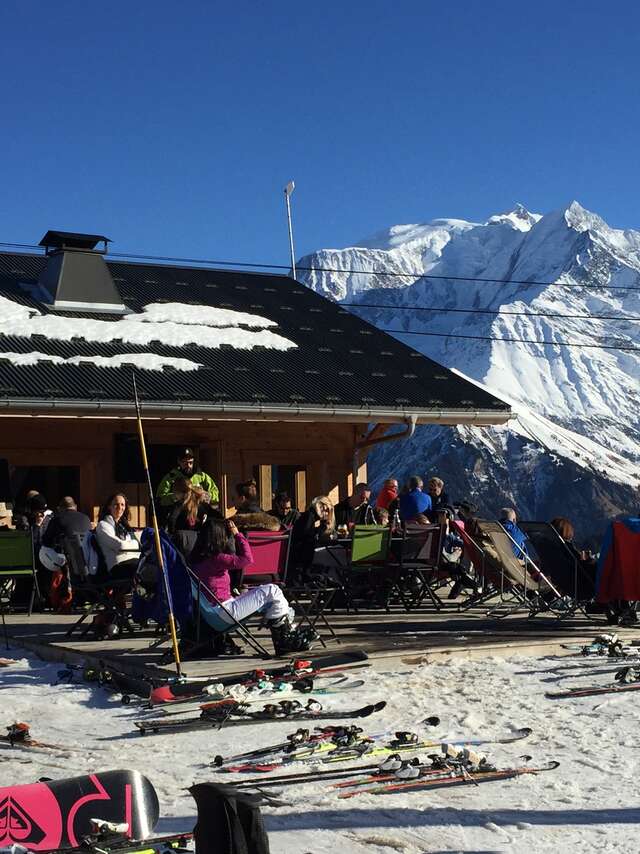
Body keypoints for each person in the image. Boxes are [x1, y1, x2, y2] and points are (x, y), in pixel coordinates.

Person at [191, 517, 314, 655]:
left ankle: (286, 636)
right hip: (225, 612)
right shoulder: (217, 559)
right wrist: (238, 535)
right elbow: (247, 559)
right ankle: (284, 639)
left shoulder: (197, 562)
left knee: (272, 597)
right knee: (273, 590)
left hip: (215, 616)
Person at [156, 447, 219, 512]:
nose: (188, 465)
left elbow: (215, 492)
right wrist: (175, 497)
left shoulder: (201, 476)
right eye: (185, 463)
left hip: (199, 512)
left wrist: (206, 495)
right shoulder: (170, 477)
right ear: (179, 462)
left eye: (190, 463)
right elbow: (160, 498)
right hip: (179, 513)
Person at [95, 493, 141, 579]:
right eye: (116, 504)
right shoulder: (103, 525)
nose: (120, 507)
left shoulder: (123, 527)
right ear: (109, 507)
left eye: (122, 505)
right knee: (145, 568)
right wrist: (134, 542)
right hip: (117, 566)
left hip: (131, 562)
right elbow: (121, 546)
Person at [290, 496, 337, 574]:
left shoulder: (311, 516)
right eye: (326, 510)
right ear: (320, 506)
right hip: (300, 558)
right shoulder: (309, 516)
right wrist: (323, 527)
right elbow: (308, 535)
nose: (326, 514)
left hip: (301, 557)